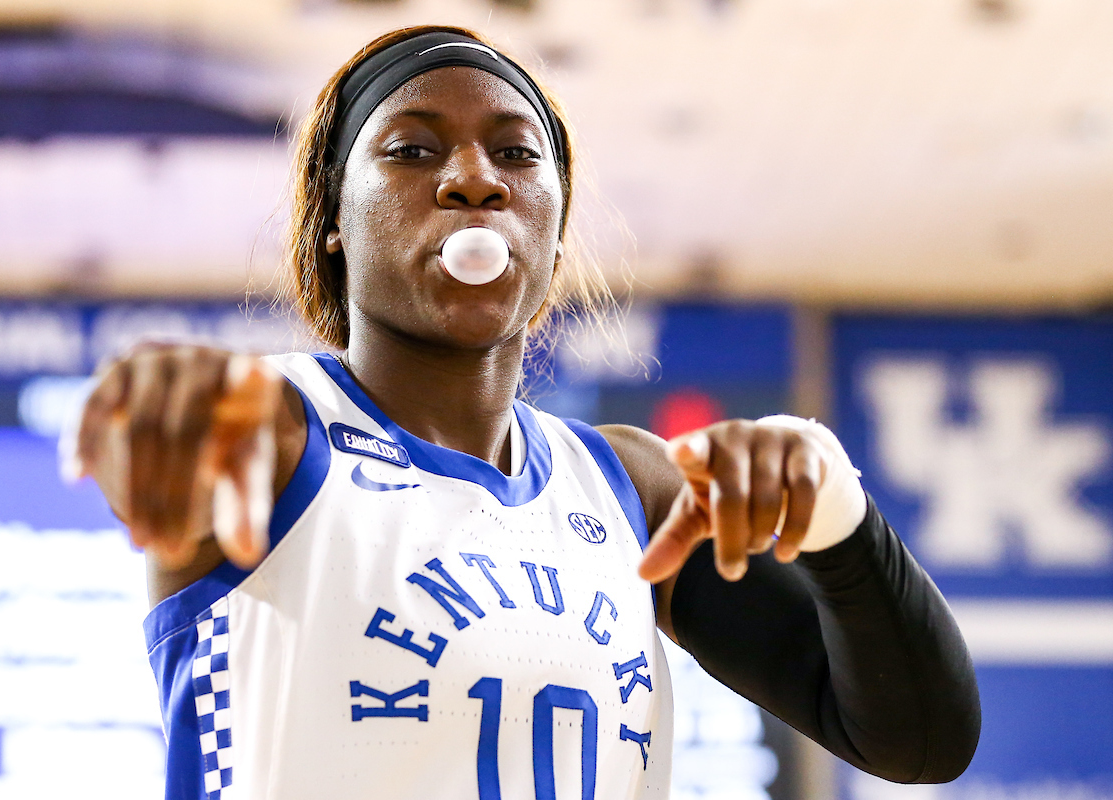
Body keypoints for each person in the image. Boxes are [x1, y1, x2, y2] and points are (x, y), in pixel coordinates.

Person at [72, 25, 981, 800]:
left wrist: (840, 518)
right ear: (334, 223)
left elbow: (923, 744)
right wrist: (156, 400)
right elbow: (170, 428)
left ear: (551, 221)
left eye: (515, 153)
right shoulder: (275, 425)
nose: (475, 179)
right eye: (411, 150)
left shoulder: (630, 485)